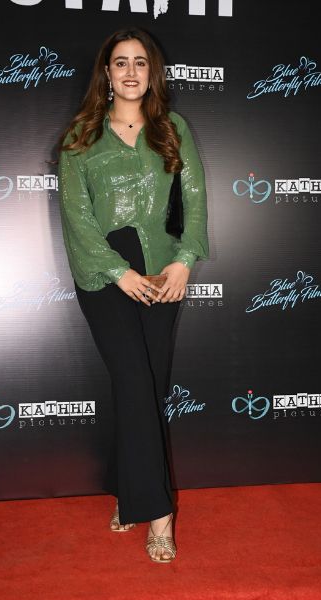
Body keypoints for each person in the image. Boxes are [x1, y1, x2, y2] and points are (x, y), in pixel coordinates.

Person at [55, 26, 209, 563]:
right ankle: (158, 513)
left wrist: (184, 261)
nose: (130, 71)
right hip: (105, 277)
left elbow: (194, 199)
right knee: (134, 381)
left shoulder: (173, 128)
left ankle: (128, 488)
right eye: (120, 62)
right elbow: (76, 217)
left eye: (140, 62)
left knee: (148, 387)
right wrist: (118, 272)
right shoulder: (80, 136)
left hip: (162, 271)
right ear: (106, 72)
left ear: (151, 73)